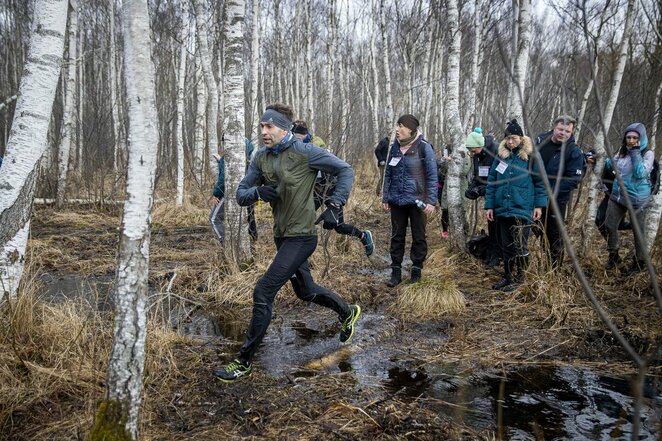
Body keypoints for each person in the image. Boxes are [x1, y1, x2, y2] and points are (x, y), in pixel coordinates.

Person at [212, 104, 361, 383]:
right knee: (305, 290)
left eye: (270, 127)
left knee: (263, 291)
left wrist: (335, 202)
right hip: (282, 235)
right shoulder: (261, 158)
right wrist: (257, 191)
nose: (264, 132)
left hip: (303, 236)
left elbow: (345, 170)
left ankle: (244, 362)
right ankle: (347, 311)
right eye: (261, 126)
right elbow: (241, 193)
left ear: (284, 128)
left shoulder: (305, 153)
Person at [292, 120, 374, 257]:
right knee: (301, 218)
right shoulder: (297, 146)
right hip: (315, 191)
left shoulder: (316, 144)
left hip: (330, 189)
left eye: (296, 136)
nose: (295, 139)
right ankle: (299, 255)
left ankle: (363, 236)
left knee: (339, 226)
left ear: (303, 134)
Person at [485, 119, 547, 292]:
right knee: (505, 245)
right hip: (502, 209)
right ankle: (508, 277)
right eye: (507, 139)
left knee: (520, 244)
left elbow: (540, 182)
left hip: (522, 209)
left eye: (513, 138)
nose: (510, 142)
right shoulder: (501, 156)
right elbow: (492, 182)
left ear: (521, 138)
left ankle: (520, 278)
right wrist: (489, 206)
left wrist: (539, 206)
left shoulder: (531, 156)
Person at [382, 114, 438, 286]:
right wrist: (385, 196)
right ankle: (396, 272)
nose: (397, 130)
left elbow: (432, 175)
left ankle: (416, 271)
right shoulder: (394, 148)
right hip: (397, 200)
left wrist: (431, 201)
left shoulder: (423, 147)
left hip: (418, 202)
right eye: (397, 126)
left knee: (418, 236)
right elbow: (388, 173)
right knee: (397, 236)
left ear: (411, 130)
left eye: (401, 126)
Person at [533, 115, 585, 268]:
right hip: (535, 195)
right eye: (561, 129)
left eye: (568, 131)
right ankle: (543, 257)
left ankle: (554, 269)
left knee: (554, 234)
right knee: (535, 227)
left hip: (557, 200)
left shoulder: (573, 151)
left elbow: (574, 179)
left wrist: (550, 191)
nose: (564, 133)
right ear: (554, 127)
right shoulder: (540, 141)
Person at [603, 123, 654, 275]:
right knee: (610, 226)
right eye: (629, 137)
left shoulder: (647, 154)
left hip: (638, 201)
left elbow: (640, 173)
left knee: (639, 233)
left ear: (641, 138)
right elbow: (611, 164)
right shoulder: (621, 151)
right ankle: (614, 256)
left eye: (635, 138)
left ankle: (639, 263)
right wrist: (598, 159)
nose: (631, 140)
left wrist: (635, 152)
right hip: (618, 196)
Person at [210, 138, 258, 244]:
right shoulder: (247, 157)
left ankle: (225, 243)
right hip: (248, 190)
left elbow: (223, 179)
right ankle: (253, 240)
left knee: (214, 219)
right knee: (249, 215)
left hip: (232, 192)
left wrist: (216, 194)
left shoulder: (227, 158)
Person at [465, 128, 500, 266]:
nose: (472, 153)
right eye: (471, 151)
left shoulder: (496, 151)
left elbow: (499, 179)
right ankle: (492, 254)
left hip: (500, 196)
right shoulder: (476, 155)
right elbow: (477, 176)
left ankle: (498, 256)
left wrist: (482, 189)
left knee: (499, 228)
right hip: (489, 196)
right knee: (491, 226)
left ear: (481, 145)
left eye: (474, 150)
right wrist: (472, 188)